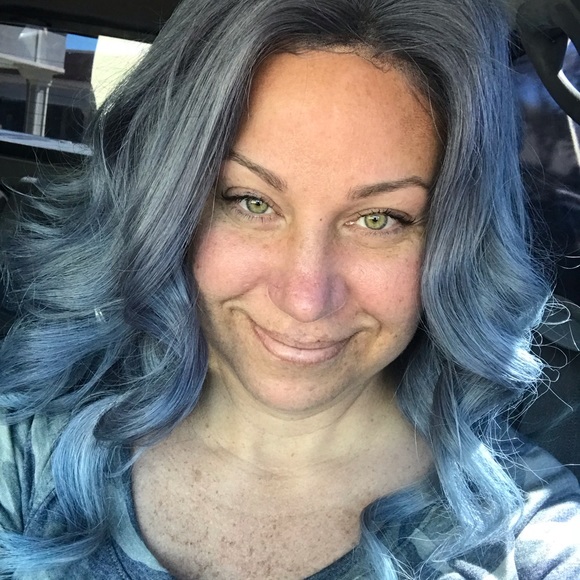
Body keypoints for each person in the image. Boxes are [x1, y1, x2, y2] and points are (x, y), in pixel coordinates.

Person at [0, 0, 579, 578]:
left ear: (458, 241)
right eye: (251, 202)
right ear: (166, 208)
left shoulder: (528, 540)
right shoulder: (26, 457)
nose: (305, 299)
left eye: (379, 219)